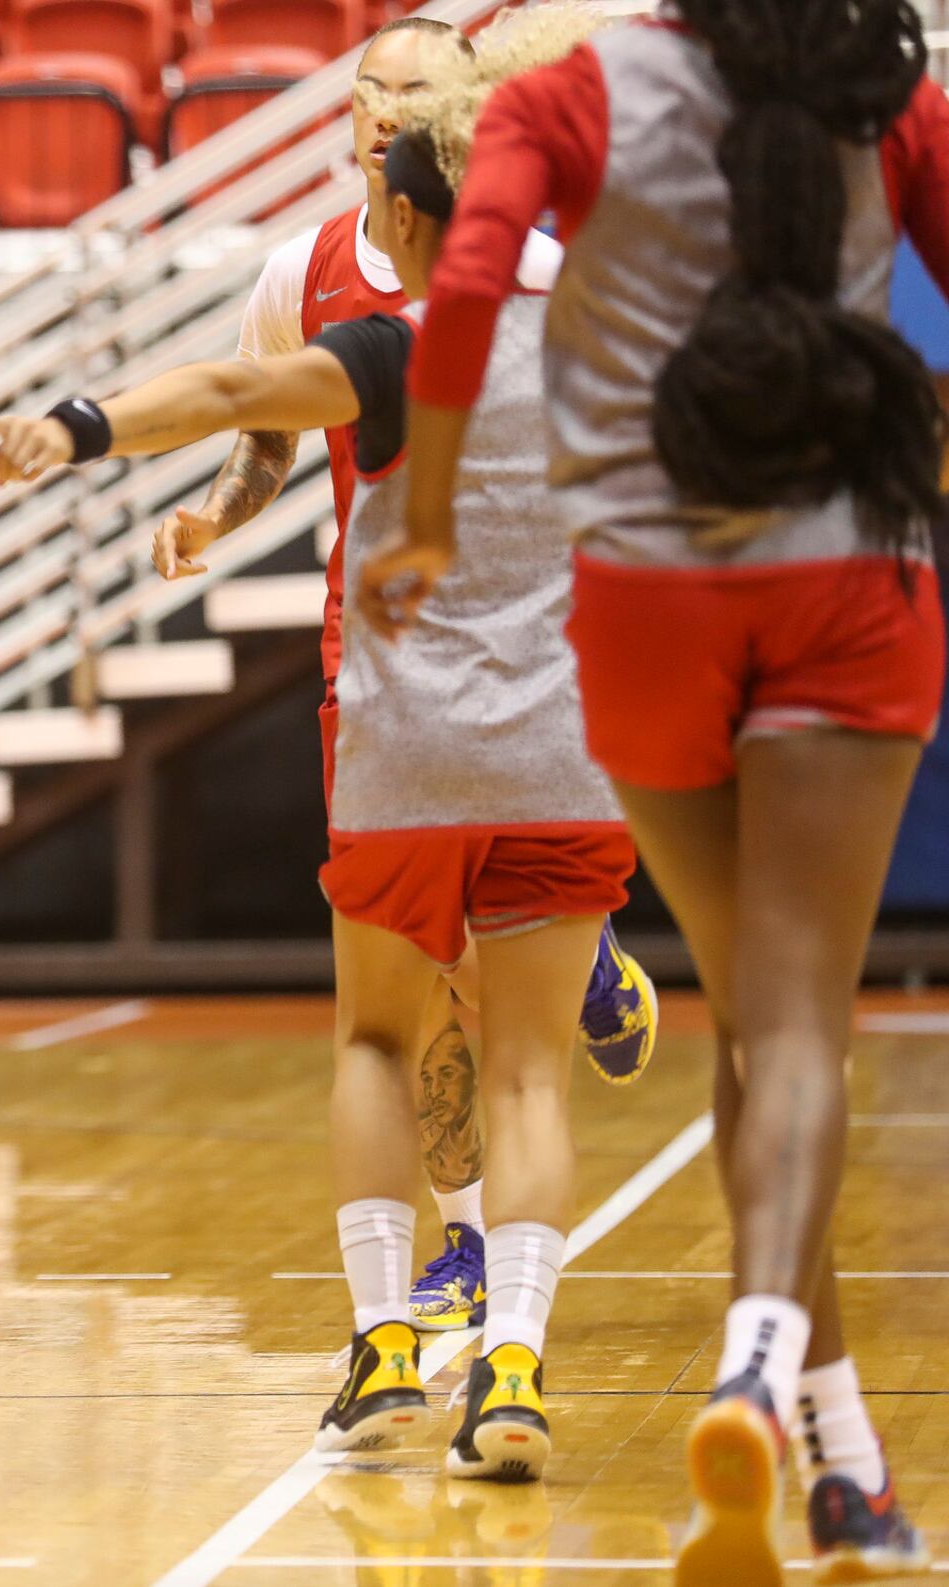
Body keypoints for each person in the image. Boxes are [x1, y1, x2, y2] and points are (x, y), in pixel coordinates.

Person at [0, 5, 619, 1484]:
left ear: (407, 199)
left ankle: (389, 1346)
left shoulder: (392, 343)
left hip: (404, 743)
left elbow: (221, 393)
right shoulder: (608, 337)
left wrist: (78, 427)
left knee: (379, 1039)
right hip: (562, 739)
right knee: (530, 1076)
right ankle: (512, 1368)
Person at [376, 0, 949, 1576]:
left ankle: (841, 1461)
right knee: (801, 1023)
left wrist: (424, 510)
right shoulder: (880, 93)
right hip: (848, 575)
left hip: (645, 597)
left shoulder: (564, 94)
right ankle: (759, 1363)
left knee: (754, 1021)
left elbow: (472, 280)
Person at [160, 14, 657, 1337]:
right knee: (418, 972)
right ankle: (466, 1240)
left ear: (466, 115)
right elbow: (261, 429)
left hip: (527, 653)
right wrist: (218, 514)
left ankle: (582, 961)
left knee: (474, 991)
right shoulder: (303, 270)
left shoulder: (549, 269)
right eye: (370, 88)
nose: (387, 109)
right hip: (373, 656)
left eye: (415, 89)